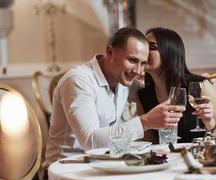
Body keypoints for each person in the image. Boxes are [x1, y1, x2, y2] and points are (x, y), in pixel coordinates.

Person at [44, 27, 185, 167]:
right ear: (110, 52)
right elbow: (91, 142)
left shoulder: (122, 79)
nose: (138, 71)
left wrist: (194, 83)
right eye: (132, 60)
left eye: (142, 63)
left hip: (100, 165)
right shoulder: (79, 80)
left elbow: (154, 91)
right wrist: (145, 121)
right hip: (67, 170)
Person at [137, 27, 216, 143]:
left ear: (170, 52)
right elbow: (148, 143)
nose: (144, 52)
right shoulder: (143, 95)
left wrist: (211, 123)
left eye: (152, 47)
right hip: (167, 159)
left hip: (199, 158)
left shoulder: (200, 86)